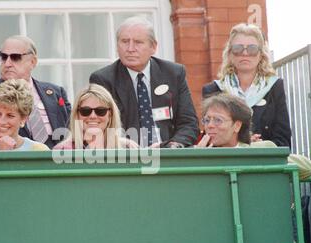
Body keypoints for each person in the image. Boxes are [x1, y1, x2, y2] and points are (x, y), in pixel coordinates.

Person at [89, 16, 199, 148]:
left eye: (138, 42)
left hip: (167, 154)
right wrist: (121, 142)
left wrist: (173, 145)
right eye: (124, 41)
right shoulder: (103, 79)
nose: (130, 48)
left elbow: (188, 123)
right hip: (126, 156)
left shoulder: (174, 73)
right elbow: (95, 126)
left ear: (153, 47)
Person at [0, 35, 71, 149]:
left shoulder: (56, 92)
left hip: (59, 160)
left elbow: (72, 126)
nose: (8, 63)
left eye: (15, 57)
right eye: (3, 57)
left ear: (33, 61)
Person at [202, 23, 291, 148]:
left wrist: (260, 146)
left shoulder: (274, 86)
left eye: (252, 49)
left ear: (261, 54)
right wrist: (242, 144)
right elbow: (211, 137)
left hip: (264, 161)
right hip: (227, 161)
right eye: (238, 49)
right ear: (230, 54)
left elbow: (283, 138)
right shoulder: (214, 90)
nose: (245, 54)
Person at [196, 93, 311, 180]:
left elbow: (308, 169)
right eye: (206, 120)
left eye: (217, 120)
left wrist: (250, 156)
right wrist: (198, 158)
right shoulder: (198, 154)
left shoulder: (259, 149)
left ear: (237, 126)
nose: (210, 125)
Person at [54, 84, 138, 150]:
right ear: (77, 115)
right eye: (85, 111)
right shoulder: (62, 151)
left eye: (100, 111)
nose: (93, 116)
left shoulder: (128, 148)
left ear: (110, 115)